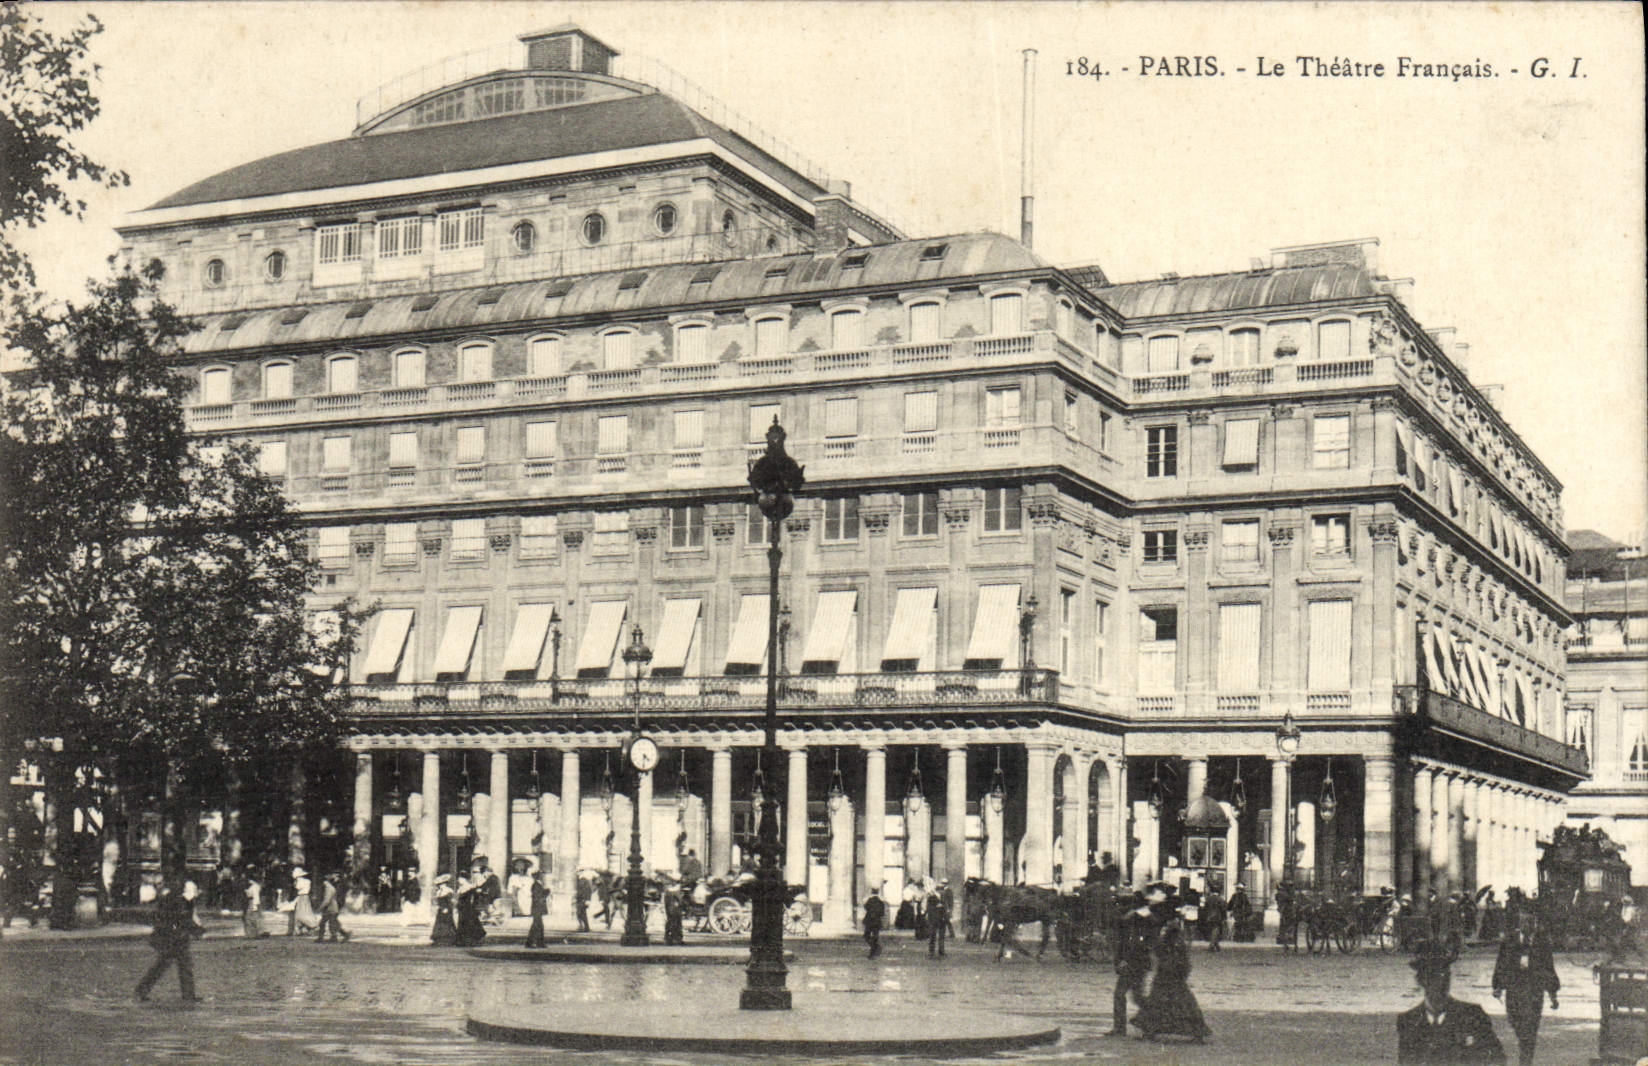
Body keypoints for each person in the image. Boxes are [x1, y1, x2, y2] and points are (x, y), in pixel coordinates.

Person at [1398, 940, 1507, 1065]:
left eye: (1445, 975)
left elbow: (1498, 1059)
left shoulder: (1473, 1015)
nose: (1442, 983)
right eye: (1434, 976)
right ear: (1421, 980)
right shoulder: (1409, 1022)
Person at [1492, 910, 1559, 1065]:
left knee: (1531, 1025)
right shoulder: (1509, 941)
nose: (1528, 925)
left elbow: (1549, 967)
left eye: (1531, 922)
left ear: (1535, 924)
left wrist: (1553, 994)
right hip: (1514, 989)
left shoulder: (1542, 942)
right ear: (1520, 924)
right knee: (1515, 1019)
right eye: (1525, 922)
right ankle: (1524, 1043)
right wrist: (1498, 986)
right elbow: (1500, 964)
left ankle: (1526, 1058)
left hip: (1534, 990)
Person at [1133, 913, 1211, 1043]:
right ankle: (1197, 1033)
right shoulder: (1179, 944)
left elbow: (1157, 952)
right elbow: (1185, 964)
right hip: (1175, 979)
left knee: (1157, 1005)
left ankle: (1149, 1031)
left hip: (1164, 978)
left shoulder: (1164, 943)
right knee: (1185, 1005)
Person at [135, 880, 202, 1003]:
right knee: (171, 965)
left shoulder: (174, 899)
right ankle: (188, 995)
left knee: (178, 965)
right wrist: (197, 930)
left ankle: (188, 995)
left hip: (175, 937)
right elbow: (181, 919)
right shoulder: (177, 901)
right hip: (171, 938)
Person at [1109, 888, 1160, 1037]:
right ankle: (1150, 1025)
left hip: (1134, 963)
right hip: (1138, 963)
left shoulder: (1135, 920)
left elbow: (1130, 943)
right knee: (1135, 996)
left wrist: (1122, 960)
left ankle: (1122, 1028)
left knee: (1125, 995)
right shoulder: (1141, 919)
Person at [455, 865, 487, 946]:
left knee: (469, 923)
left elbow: (475, 897)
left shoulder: (469, 887)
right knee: (462, 923)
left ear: (464, 879)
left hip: (468, 908)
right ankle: (462, 940)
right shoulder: (461, 888)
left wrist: (475, 906)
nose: (459, 880)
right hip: (462, 908)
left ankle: (470, 940)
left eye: (460, 879)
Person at [315, 873, 349, 942]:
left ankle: (331, 937)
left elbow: (327, 900)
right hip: (331, 908)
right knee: (332, 923)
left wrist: (320, 908)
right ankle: (341, 935)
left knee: (326, 923)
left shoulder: (329, 888)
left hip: (331, 909)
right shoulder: (329, 887)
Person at [429, 873, 458, 946]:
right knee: (439, 924)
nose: (440, 886)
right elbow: (438, 901)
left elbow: (450, 901)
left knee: (447, 924)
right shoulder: (439, 892)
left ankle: (448, 939)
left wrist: (447, 908)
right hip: (440, 909)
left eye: (441, 884)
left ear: (445, 884)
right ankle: (439, 939)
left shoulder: (448, 891)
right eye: (439, 884)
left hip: (447, 909)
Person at [525, 869, 550, 948]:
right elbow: (538, 897)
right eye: (541, 875)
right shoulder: (536, 885)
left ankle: (534, 942)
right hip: (537, 908)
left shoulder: (538, 885)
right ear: (538, 877)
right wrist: (546, 893)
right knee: (537, 925)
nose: (543, 877)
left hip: (537, 908)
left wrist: (546, 892)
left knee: (537, 925)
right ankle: (534, 942)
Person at [926, 881, 950, 957]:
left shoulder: (941, 899)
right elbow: (929, 908)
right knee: (936, 936)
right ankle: (935, 951)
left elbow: (929, 909)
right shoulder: (932, 898)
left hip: (937, 919)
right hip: (937, 919)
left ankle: (936, 951)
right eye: (940, 890)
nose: (942, 892)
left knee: (937, 936)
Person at [862, 886, 886, 959]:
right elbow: (882, 913)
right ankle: (875, 948)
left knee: (866, 936)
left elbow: (865, 907)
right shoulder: (881, 902)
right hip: (877, 921)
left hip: (869, 921)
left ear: (871, 892)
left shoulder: (869, 900)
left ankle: (874, 948)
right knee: (875, 936)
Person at [242, 867, 266, 939]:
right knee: (251, 918)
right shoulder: (253, 886)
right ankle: (253, 933)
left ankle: (255, 933)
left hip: (253, 902)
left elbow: (256, 896)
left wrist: (255, 905)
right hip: (251, 902)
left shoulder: (254, 886)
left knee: (251, 918)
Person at [1203, 887, 1226, 952]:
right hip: (1218, 917)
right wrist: (1224, 918)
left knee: (1212, 931)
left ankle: (1217, 945)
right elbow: (1223, 910)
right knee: (1216, 930)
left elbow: (1205, 908)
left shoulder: (1208, 899)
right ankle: (1212, 945)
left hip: (1209, 916)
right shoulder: (1221, 899)